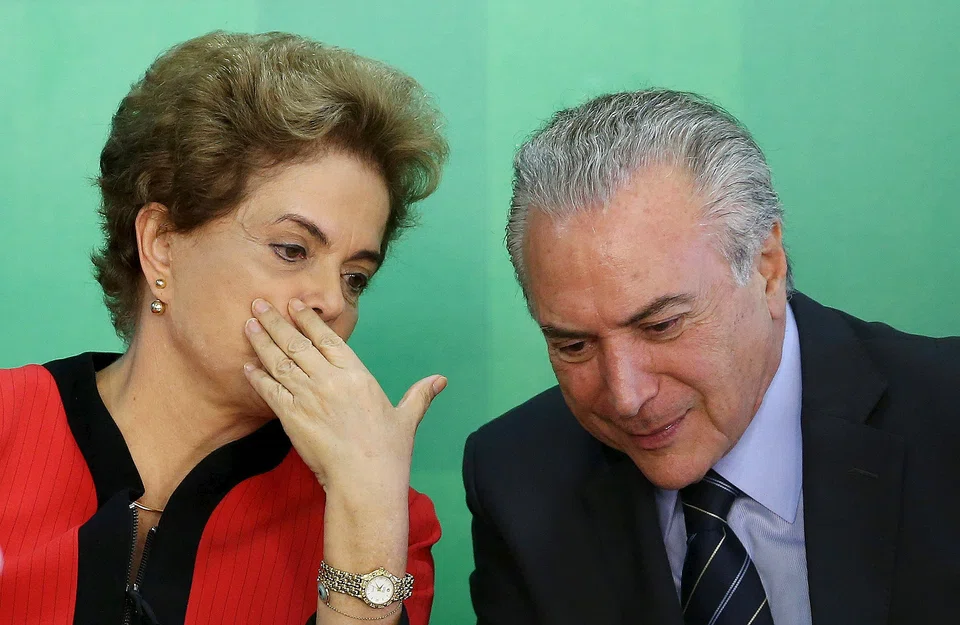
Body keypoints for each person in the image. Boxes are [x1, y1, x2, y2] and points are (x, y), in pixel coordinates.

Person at [0, 31, 448, 625]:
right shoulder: (9, 422)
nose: (331, 301)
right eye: (292, 249)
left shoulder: (391, 519)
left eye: (355, 277)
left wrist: (368, 519)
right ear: (161, 245)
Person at [464, 89, 960, 624]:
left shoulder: (946, 410)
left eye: (661, 326)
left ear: (767, 268)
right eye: (574, 346)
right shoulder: (516, 479)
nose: (627, 397)